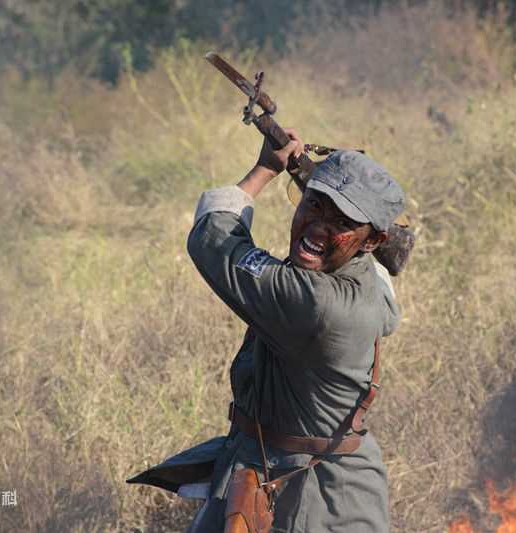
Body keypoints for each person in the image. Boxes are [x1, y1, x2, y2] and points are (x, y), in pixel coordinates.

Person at [129, 129, 405, 532]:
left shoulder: (315, 305)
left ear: (373, 240)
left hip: (317, 500)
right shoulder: (367, 277)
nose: (317, 227)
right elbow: (374, 263)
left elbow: (213, 239)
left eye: (341, 221)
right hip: (272, 469)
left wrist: (264, 169)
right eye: (313, 204)